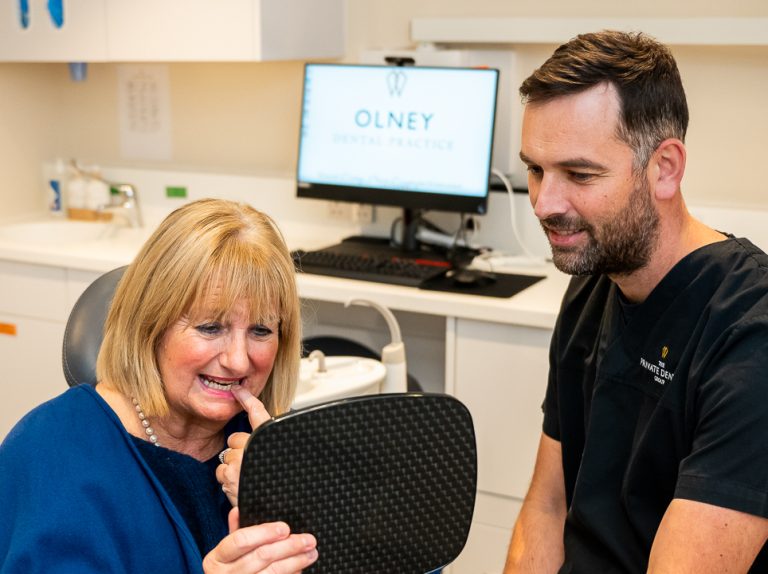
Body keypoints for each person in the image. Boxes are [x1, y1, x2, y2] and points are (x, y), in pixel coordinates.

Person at [504, 30, 768, 573]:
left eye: (579, 174)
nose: (544, 202)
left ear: (665, 168)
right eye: (535, 169)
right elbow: (548, 505)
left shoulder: (749, 333)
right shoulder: (593, 281)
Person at [0, 198, 318, 573]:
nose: (238, 359)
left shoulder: (279, 451)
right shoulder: (52, 455)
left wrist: (282, 498)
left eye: (261, 330)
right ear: (149, 326)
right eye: (210, 327)